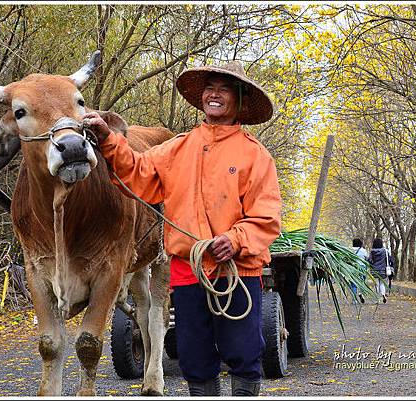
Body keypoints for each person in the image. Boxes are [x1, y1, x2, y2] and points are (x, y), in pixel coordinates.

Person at [82, 61, 282, 397]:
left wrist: (234, 240)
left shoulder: (255, 156)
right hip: (188, 272)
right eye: (209, 87)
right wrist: (107, 139)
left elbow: (267, 216)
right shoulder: (178, 147)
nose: (213, 94)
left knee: (243, 353)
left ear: (240, 100)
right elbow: (138, 171)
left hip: (237, 271)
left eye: (223, 88)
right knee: (194, 356)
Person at [366, 238, 395, 304]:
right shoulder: (385, 251)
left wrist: (368, 261)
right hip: (383, 270)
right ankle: (383, 295)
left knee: (377, 284)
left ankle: (377, 299)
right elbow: (390, 260)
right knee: (382, 284)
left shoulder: (372, 251)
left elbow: (370, 261)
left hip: (375, 270)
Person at [350, 238, 368, 304]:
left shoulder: (350, 250)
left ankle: (354, 300)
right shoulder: (363, 250)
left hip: (353, 268)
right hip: (362, 268)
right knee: (362, 282)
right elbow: (366, 259)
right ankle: (361, 293)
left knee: (353, 284)